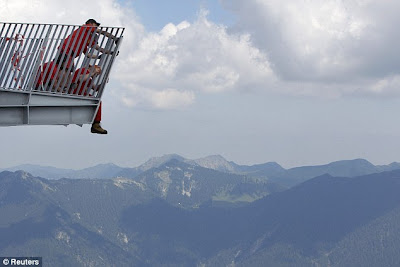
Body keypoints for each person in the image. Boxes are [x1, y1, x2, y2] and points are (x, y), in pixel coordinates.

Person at [71, 65, 107, 134]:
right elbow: (81, 79)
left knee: (97, 101)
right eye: (97, 74)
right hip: (75, 94)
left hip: (81, 95)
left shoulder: (88, 78)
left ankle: (96, 123)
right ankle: (96, 124)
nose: (95, 76)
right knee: (96, 101)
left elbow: (96, 88)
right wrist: (92, 73)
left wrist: (104, 82)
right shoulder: (83, 70)